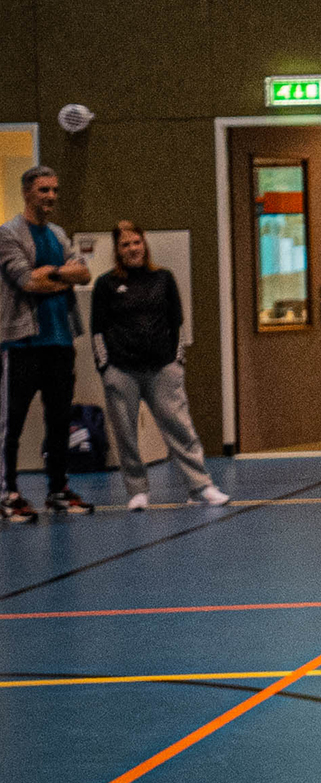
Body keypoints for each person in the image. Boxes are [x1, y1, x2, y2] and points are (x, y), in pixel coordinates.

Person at [90, 221, 228, 509]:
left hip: (163, 368)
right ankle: (137, 490)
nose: (132, 249)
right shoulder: (105, 285)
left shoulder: (163, 278)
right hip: (121, 370)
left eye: (136, 242)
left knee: (180, 428)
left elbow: (177, 323)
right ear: (117, 250)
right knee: (126, 433)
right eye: (125, 244)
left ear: (144, 244)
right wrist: (106, 369)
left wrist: (177, 362)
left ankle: (201, 486)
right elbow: (97, 331)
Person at [1, 166, 94, 521]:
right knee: (11, 424)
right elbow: (26, 281)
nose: (51, 196)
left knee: (58, 421)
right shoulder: (8, 234)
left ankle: (58, 490)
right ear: (27, 192)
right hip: (22, 344)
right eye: (44, 190)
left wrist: (52, 272)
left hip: (60, 340)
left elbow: (83, 272)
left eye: (54, 190)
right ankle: (8, 494)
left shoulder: (57, 234)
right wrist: (61, 275)